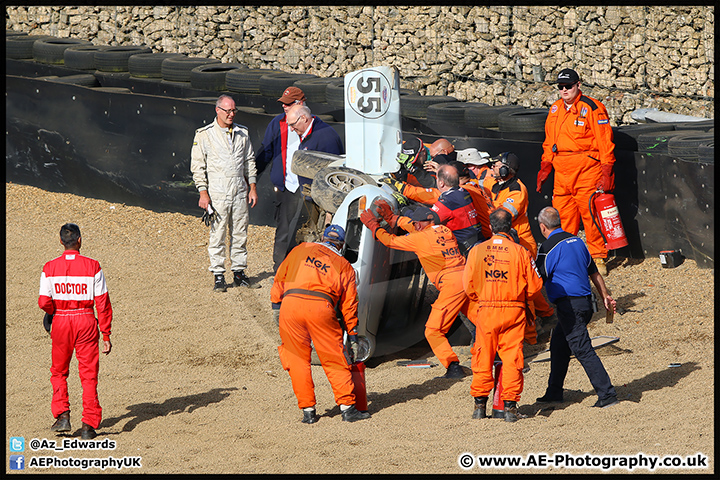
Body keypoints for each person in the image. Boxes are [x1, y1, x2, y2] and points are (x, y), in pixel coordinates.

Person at [272, 225, 371, 423]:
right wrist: (352, 335)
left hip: (290, 307)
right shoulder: (344, 266)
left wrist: (276, 307)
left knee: (297, 360)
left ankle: (308, 411)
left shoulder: (300, 250)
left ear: (323, 238)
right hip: (321, 308)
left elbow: (280, 278)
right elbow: (350, 305)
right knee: (334, 358)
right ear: (341, 245)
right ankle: (347, 408)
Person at [360, 204, 470, 379]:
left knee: (433, 330)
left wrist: (375, 227)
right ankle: (500, 354)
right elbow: (416, 226)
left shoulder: (419, 239)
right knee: (482, 321)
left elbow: (390, 241)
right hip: (467, 278)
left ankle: (453, 366)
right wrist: (393, 219)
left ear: (420, 225)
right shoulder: (443, 230)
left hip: (451, 285)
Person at [462, 208, 544, 422]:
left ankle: (479, 407)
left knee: (482, 356)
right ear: (511, 227)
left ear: (490, 226)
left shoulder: (476, 251)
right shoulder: (520, 251)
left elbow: (467, 286)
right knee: (512, 358)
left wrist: (483, 296)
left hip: (486, 310)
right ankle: (509, 408)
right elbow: (535, 287)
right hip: (513, 310)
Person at [535, 206, 619, 408]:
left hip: (569, 306)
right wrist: (606, 296)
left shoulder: (547, 248)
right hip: (586, 303)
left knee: (582, 349)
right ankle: (554, 391)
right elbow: (594, 273)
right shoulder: (577, 241)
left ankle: (607, 394)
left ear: (542, 226)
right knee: (558, 344)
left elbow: (536, 279)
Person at [537, 68, 617, 276]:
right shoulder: (555, 109)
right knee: (561, 217)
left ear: (578, 85)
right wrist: (545, 166)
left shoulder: (592, 108)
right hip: (561, 173)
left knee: (591, 216)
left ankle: (598, 258)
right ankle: (565, 256)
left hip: (586, 171)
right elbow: (549, 142)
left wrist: (607, 170)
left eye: (568, 86)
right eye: (561, 87)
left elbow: (605, 143)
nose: (564, 90)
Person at [38, 223, 113, 440]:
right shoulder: (93, 266)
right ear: (79, 240)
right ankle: (89, 425)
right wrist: (106, 334)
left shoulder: (49, 267)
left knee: (59, 371)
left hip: (61, 320)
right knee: (89, 375)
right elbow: (103, 303)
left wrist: (53, 312)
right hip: (86, 320)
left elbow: (44, 301)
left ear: (61, 241)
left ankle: (62, 416)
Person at [262, 101, 345, 273]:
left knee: (312, 236)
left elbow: (335, 174)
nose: (291, 129)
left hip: (319, 202)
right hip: (301, 194)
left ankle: (308, 273)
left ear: (304, 119)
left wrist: (328, 210)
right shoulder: (307, 133)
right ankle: (284, 270)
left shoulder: (325, 137)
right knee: (289, 232)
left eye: (293, 125)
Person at [191, 94, 258, 292]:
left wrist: (252, 187)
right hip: (217, 192)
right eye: (227, 110)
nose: (231, 114)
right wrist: (203, 193)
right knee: (217, 233)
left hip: (239, 191)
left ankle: (239, 271)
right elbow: (197, 166)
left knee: (240, 232)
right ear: (217, 110)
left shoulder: (242, 133)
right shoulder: (204, 134)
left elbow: (249, 161)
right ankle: (218, 274)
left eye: (233, 110)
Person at [486, 152, 556, 334]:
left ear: (505, 169)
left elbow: (501, 216)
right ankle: (547, 315)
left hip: (521, 243)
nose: (492, 168)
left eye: (496, 165)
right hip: (509, 242)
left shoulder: (517, 190)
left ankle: (532, 330)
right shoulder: (495, 185)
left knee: (523, 287)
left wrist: (483, 207)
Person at [255, 87, 310, 273]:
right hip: (286, 186)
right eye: (283, 104)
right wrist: (252, 179)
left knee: (308, 230)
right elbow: (266, 152)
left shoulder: (313, 124)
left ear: (300, 104)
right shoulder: (277, 123)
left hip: (307, 188)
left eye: (289, 104)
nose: (285, 107)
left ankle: (302, 270)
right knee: (283, 230)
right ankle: (279, 270)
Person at [381, 163, 483, 257]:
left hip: (467, 251)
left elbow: (426, 221)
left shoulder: (448, 201)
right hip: (477, 243)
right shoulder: (463, 192)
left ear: (441, 183)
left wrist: (404, 209)